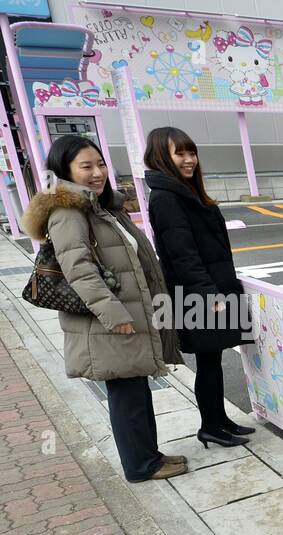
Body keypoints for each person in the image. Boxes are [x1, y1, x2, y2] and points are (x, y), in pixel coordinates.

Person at [21, 135, 186, 481]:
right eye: (86, 166)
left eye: (100, 164)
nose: (97, 172)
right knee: (127, 397)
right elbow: (78, 270)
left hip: (124, 317)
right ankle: (140, 466)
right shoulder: (68, 212)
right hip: (109, 322)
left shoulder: (99, 206)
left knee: (136, 391)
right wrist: (115, 316)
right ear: (64, 171)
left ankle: (149, 456)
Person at [144, 126, 253, 448]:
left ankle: (219, 421)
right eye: (180, 153)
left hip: (209, 289)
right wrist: (210, 295)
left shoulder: (183, 192)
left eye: (191, 152)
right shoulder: (166, 197)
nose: (189, 160)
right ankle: (210, 426)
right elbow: (182, 255)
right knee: (208, 362)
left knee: (213, 360)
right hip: (200, 294)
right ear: (161, 156)